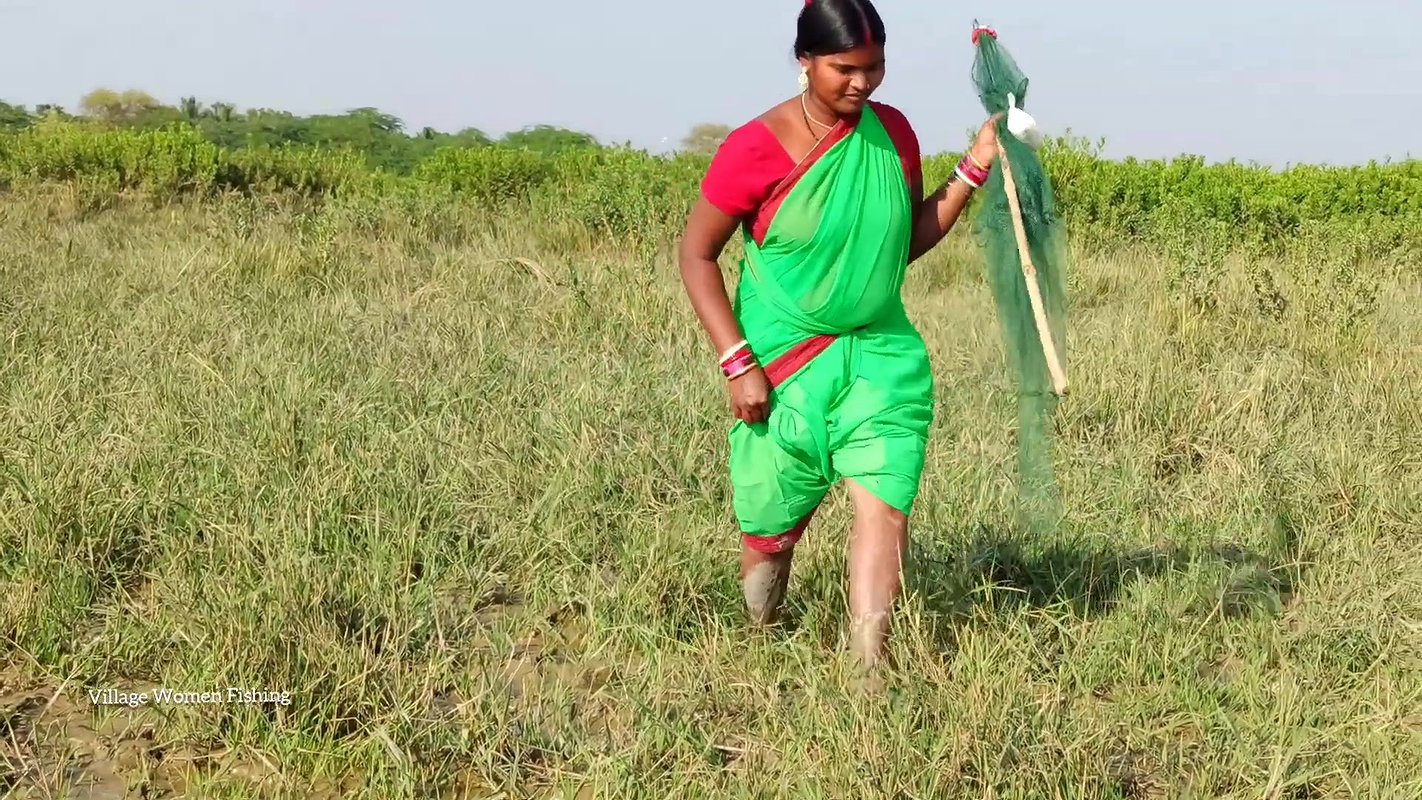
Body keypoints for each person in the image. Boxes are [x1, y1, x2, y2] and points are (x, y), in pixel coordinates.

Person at [677, 0, 1001, 674]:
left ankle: (869, 671)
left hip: (881, 354)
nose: (862, 83)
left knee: (884, 506)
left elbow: (897, 244)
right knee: (771, 531)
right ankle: (761, 641)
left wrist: (971, 169)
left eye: (874, 67)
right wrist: (738, 363)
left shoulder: (895, 135)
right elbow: (696, 256)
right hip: (781, 360)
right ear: (805, 62)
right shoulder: (754, 146)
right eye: (844, 69)